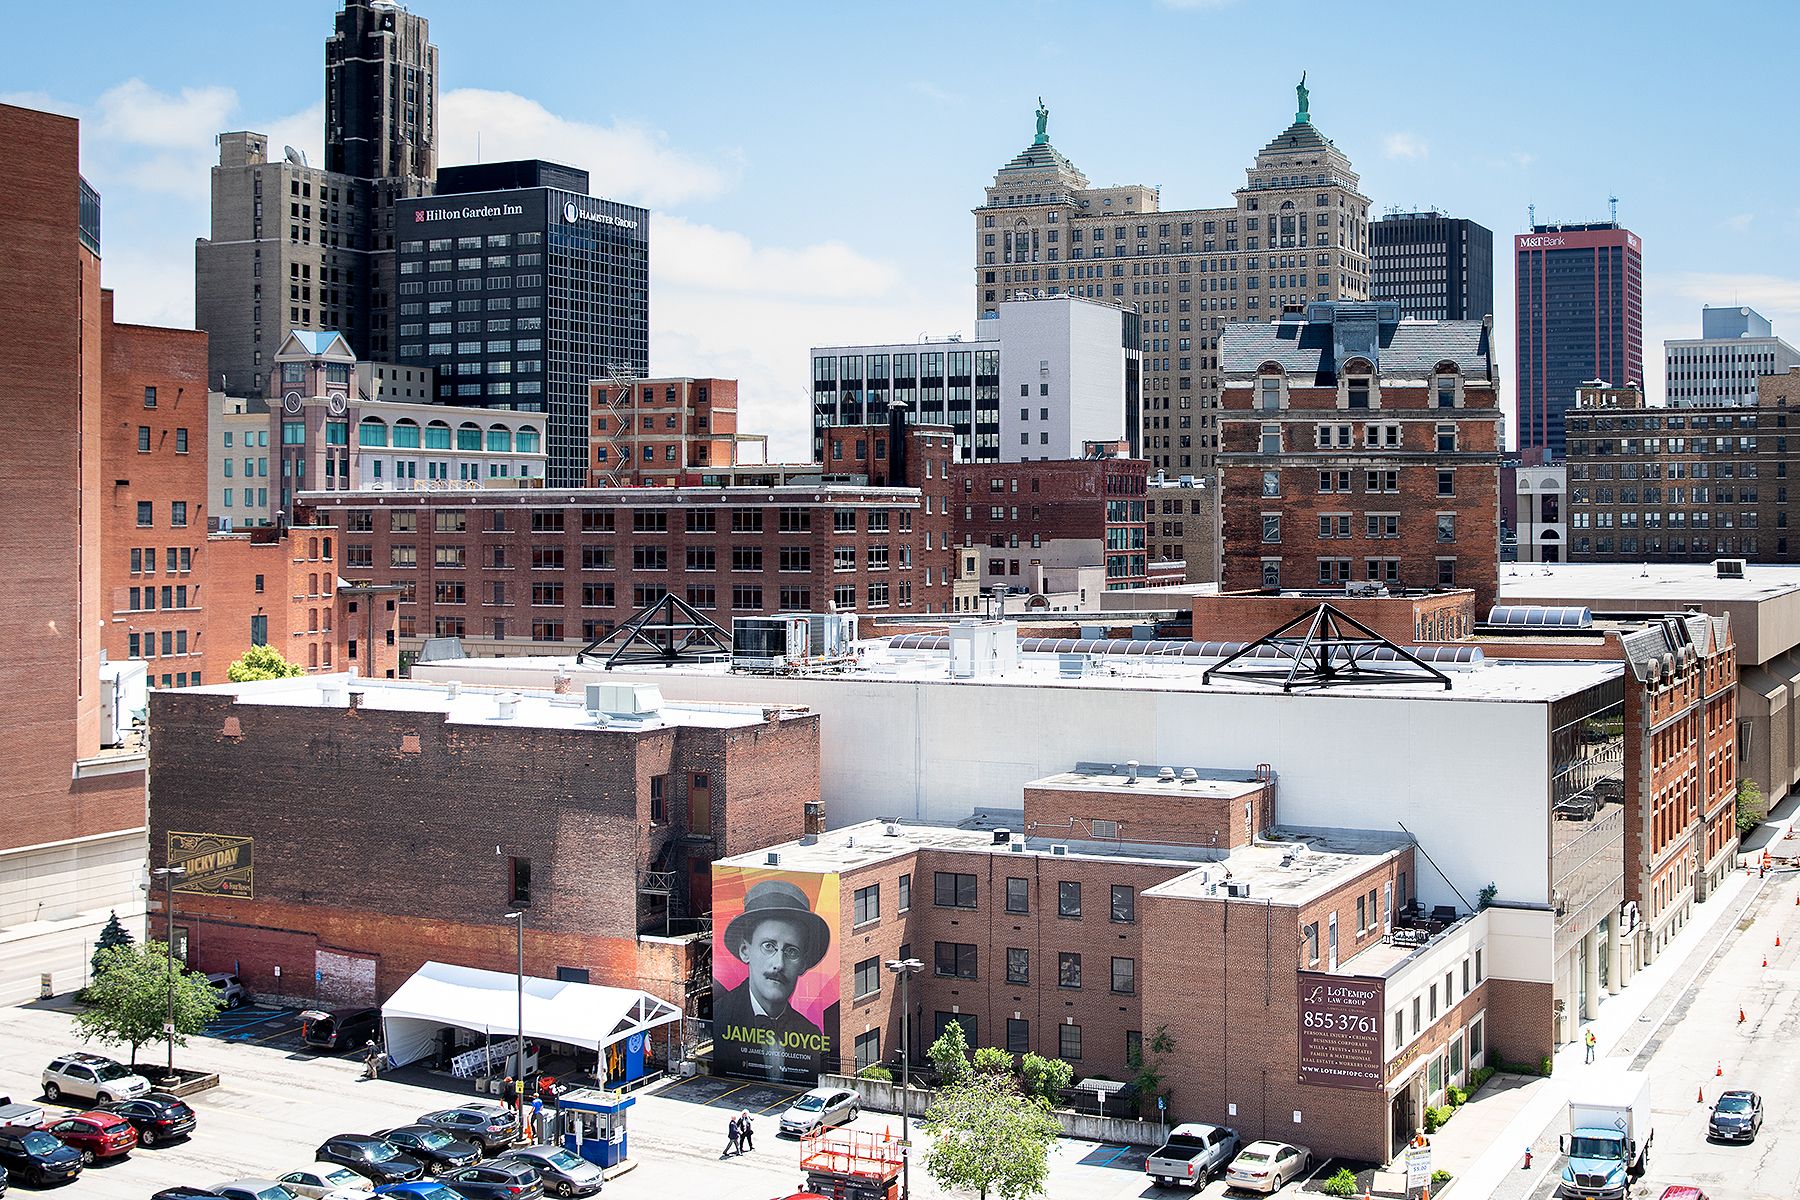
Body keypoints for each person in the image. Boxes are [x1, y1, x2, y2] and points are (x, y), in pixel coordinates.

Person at [713, 880, 840, 1082]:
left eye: (791, 951)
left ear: (803, 964)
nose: (779, 964)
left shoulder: (810, 1033)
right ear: (746, 951)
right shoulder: (719, 1018)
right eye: (768, 946)